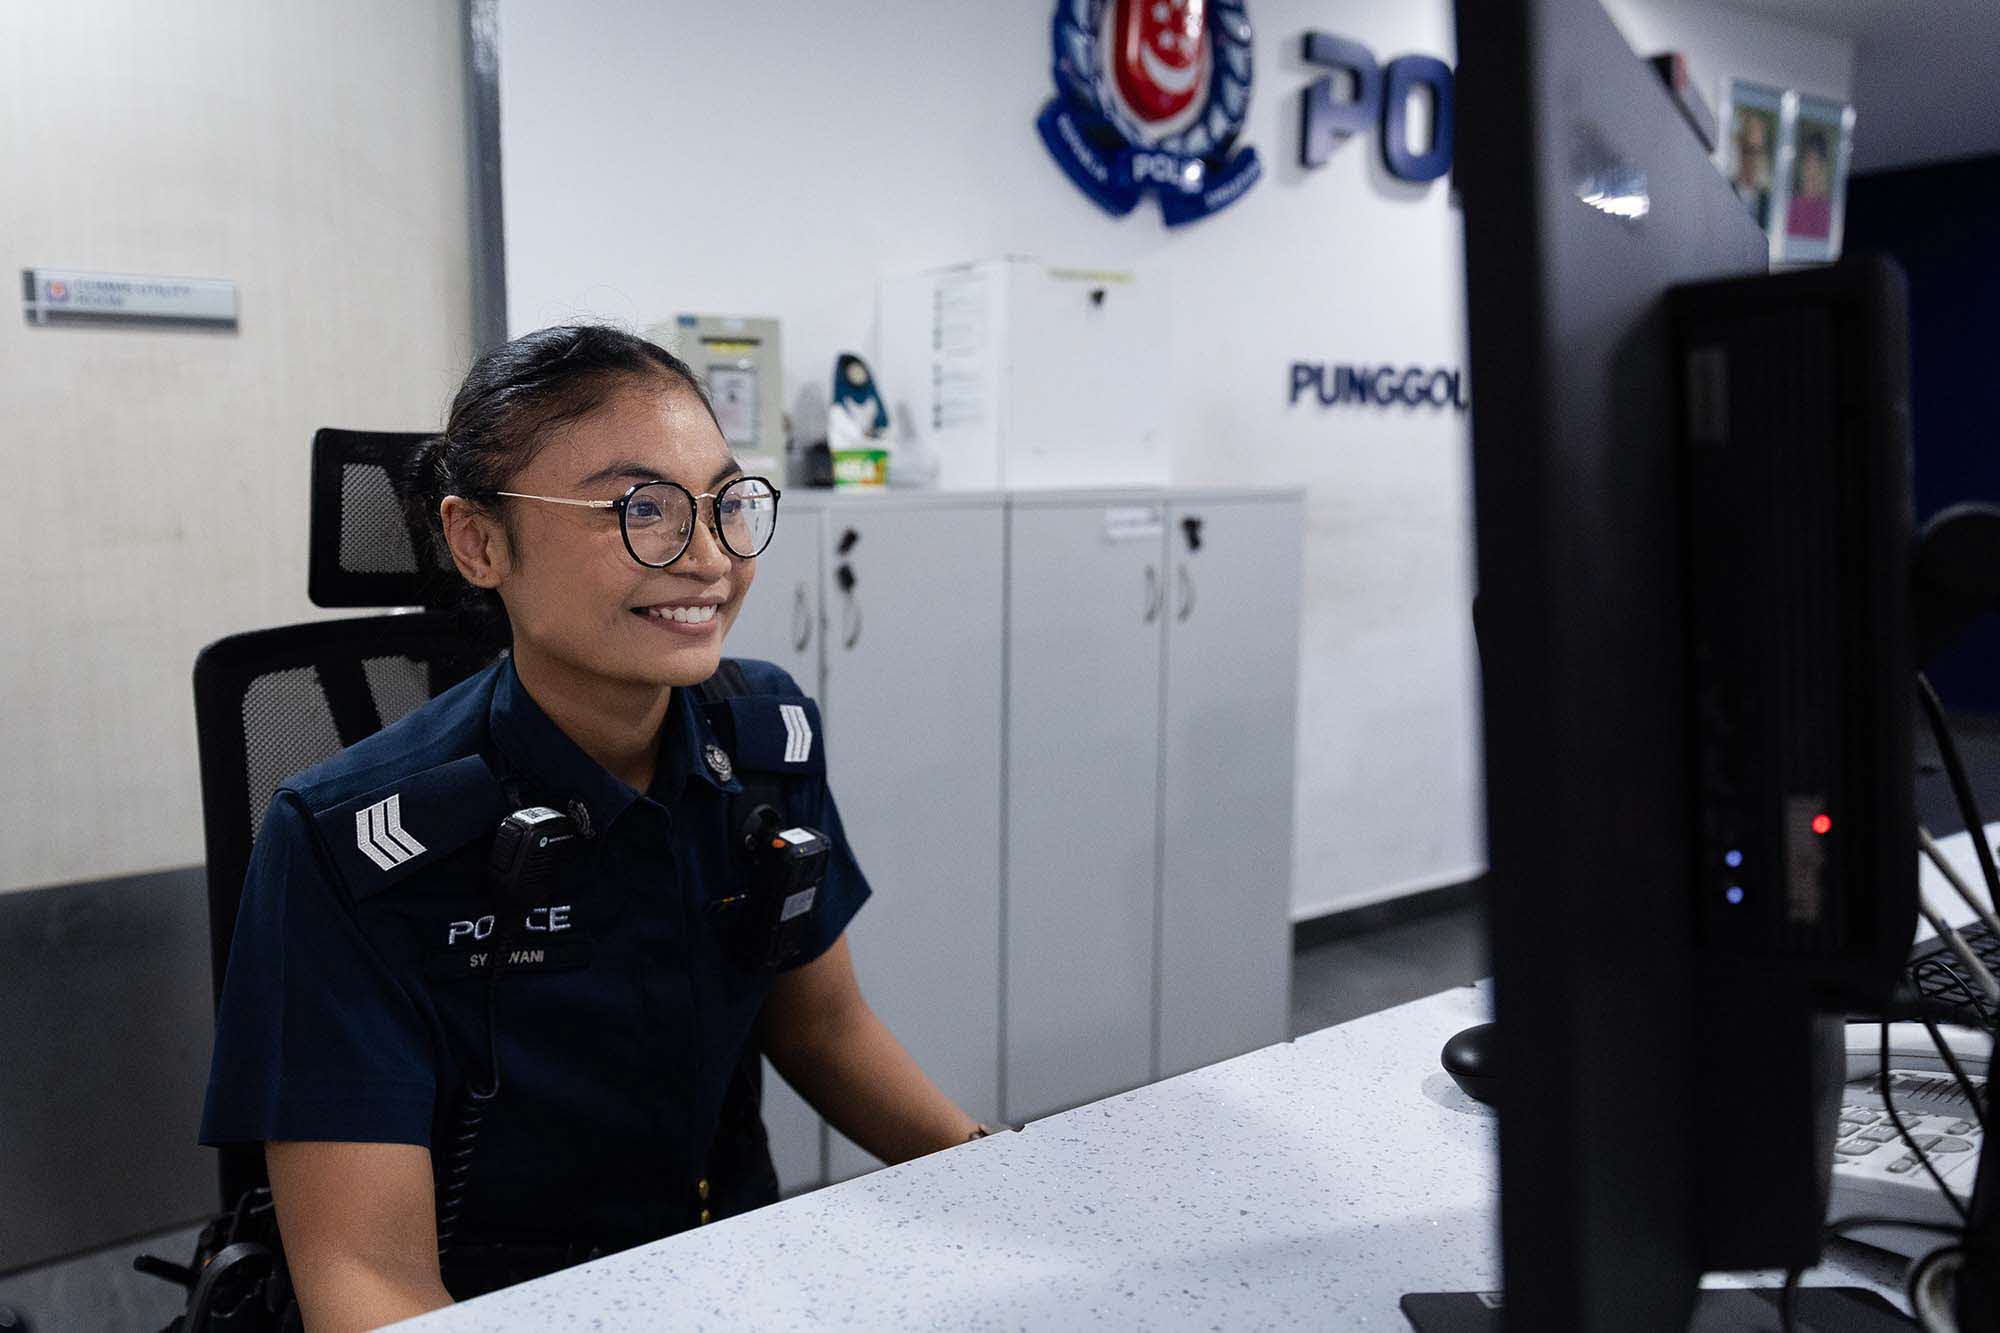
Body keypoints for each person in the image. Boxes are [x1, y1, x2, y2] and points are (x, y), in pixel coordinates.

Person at [200, 325, 988, 1330]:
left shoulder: (760, 744)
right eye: (641, 509)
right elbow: (371, 1279)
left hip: (730, 1277)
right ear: (479, 541)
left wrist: (994, 1168)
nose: (707, 559)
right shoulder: (342, 841)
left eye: (724, 504)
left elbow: (824, 1027)